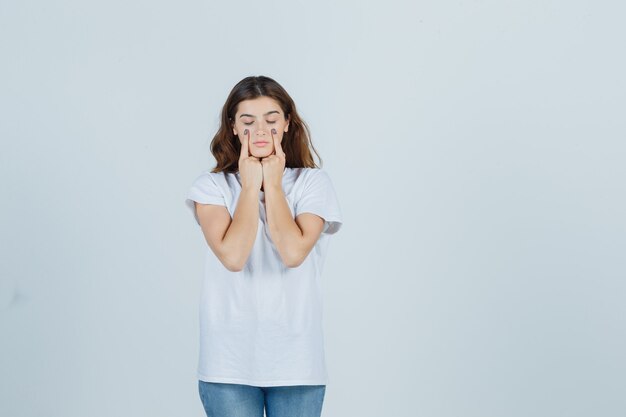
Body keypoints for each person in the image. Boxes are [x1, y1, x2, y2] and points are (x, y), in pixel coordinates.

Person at [185, 75, 343, 417]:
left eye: (271, 121)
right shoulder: (210, 187)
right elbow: (233, 255)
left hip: (297, 363)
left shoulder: (313, 183)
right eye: (248, 121)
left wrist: (272, 184)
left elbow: (293, 252)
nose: (260, 131)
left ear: (287, 123)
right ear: (232, 127)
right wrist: (248, 185)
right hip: (227, 365)